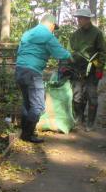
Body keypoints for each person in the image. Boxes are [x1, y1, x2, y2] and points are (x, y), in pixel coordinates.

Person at [15, 13, 72, 143]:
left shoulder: (28, 33)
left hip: (19, 70)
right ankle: (27, 135)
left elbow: (20, 51)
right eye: (54, 27)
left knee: (27, 103)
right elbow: (61, 54)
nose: (53, 30)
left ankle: (25, 132)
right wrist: (71, 57)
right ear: (51, 24)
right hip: (32, 73)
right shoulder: (47, 36)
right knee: (39, 106)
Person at [69, 8, 106, 131]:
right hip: (77, 69)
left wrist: (100, 68)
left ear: (87, 19)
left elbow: (102, 51)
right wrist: (67, 66)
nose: (78, 20)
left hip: (92, 69)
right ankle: (79, 118)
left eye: (81, 18)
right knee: (77, 96)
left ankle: (90, 123)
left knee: (92, 96)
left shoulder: (97, 33)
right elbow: (71, 51)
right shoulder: (75, 35)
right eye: (78, 18)